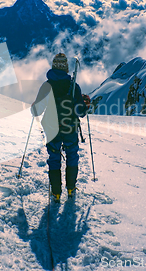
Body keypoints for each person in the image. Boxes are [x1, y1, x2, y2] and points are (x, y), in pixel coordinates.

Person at [31, 53, 90, 202]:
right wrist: (85, 104)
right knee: (72, 157)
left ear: (53, 66)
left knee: (54, 158)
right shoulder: (73, 86)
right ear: (66, 68)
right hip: (70, 128)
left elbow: (36, 111)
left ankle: (56, 192)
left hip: (51, 129)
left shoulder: (46, 86)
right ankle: (71, 189)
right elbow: (80, 112)